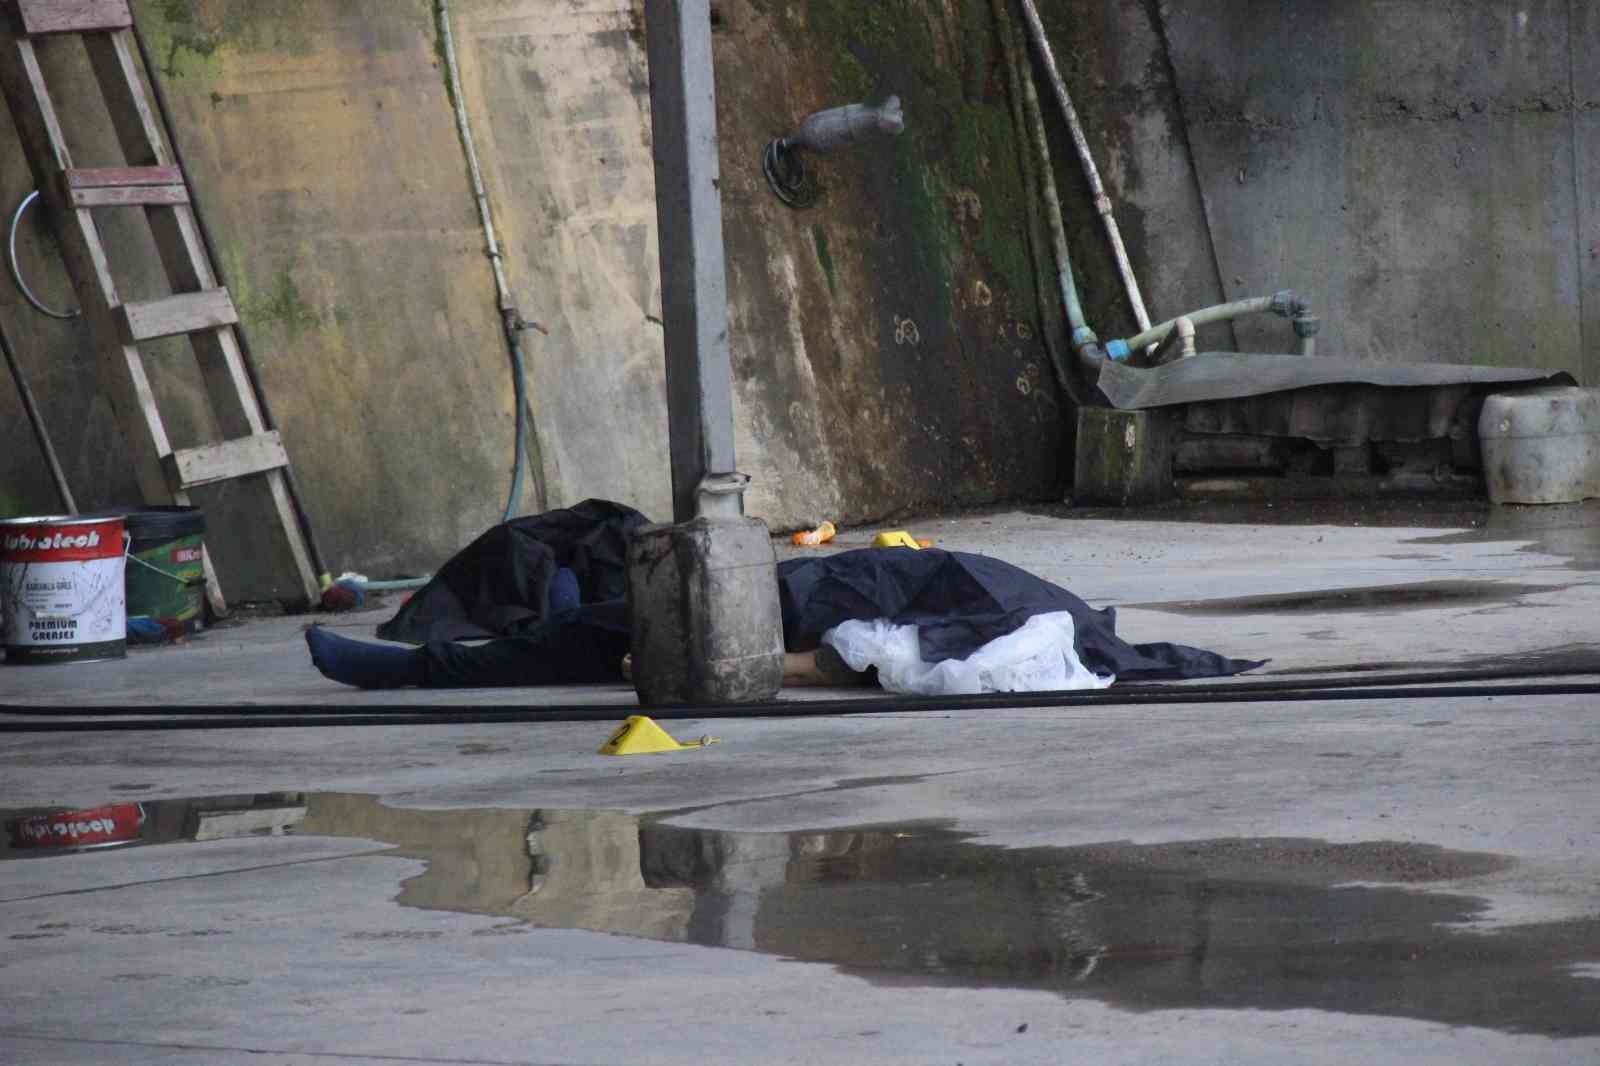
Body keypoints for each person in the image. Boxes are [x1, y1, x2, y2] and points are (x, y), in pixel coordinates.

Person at [307, 500, 1262, 693]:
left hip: (815, 597)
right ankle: (431, 665)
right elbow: (884, 656)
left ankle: (419, 670)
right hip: (820, 589)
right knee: (606, 626)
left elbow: (882, 662)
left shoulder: (1041, 640)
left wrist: (740, 663)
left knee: (603, 631)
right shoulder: (1035, 639)